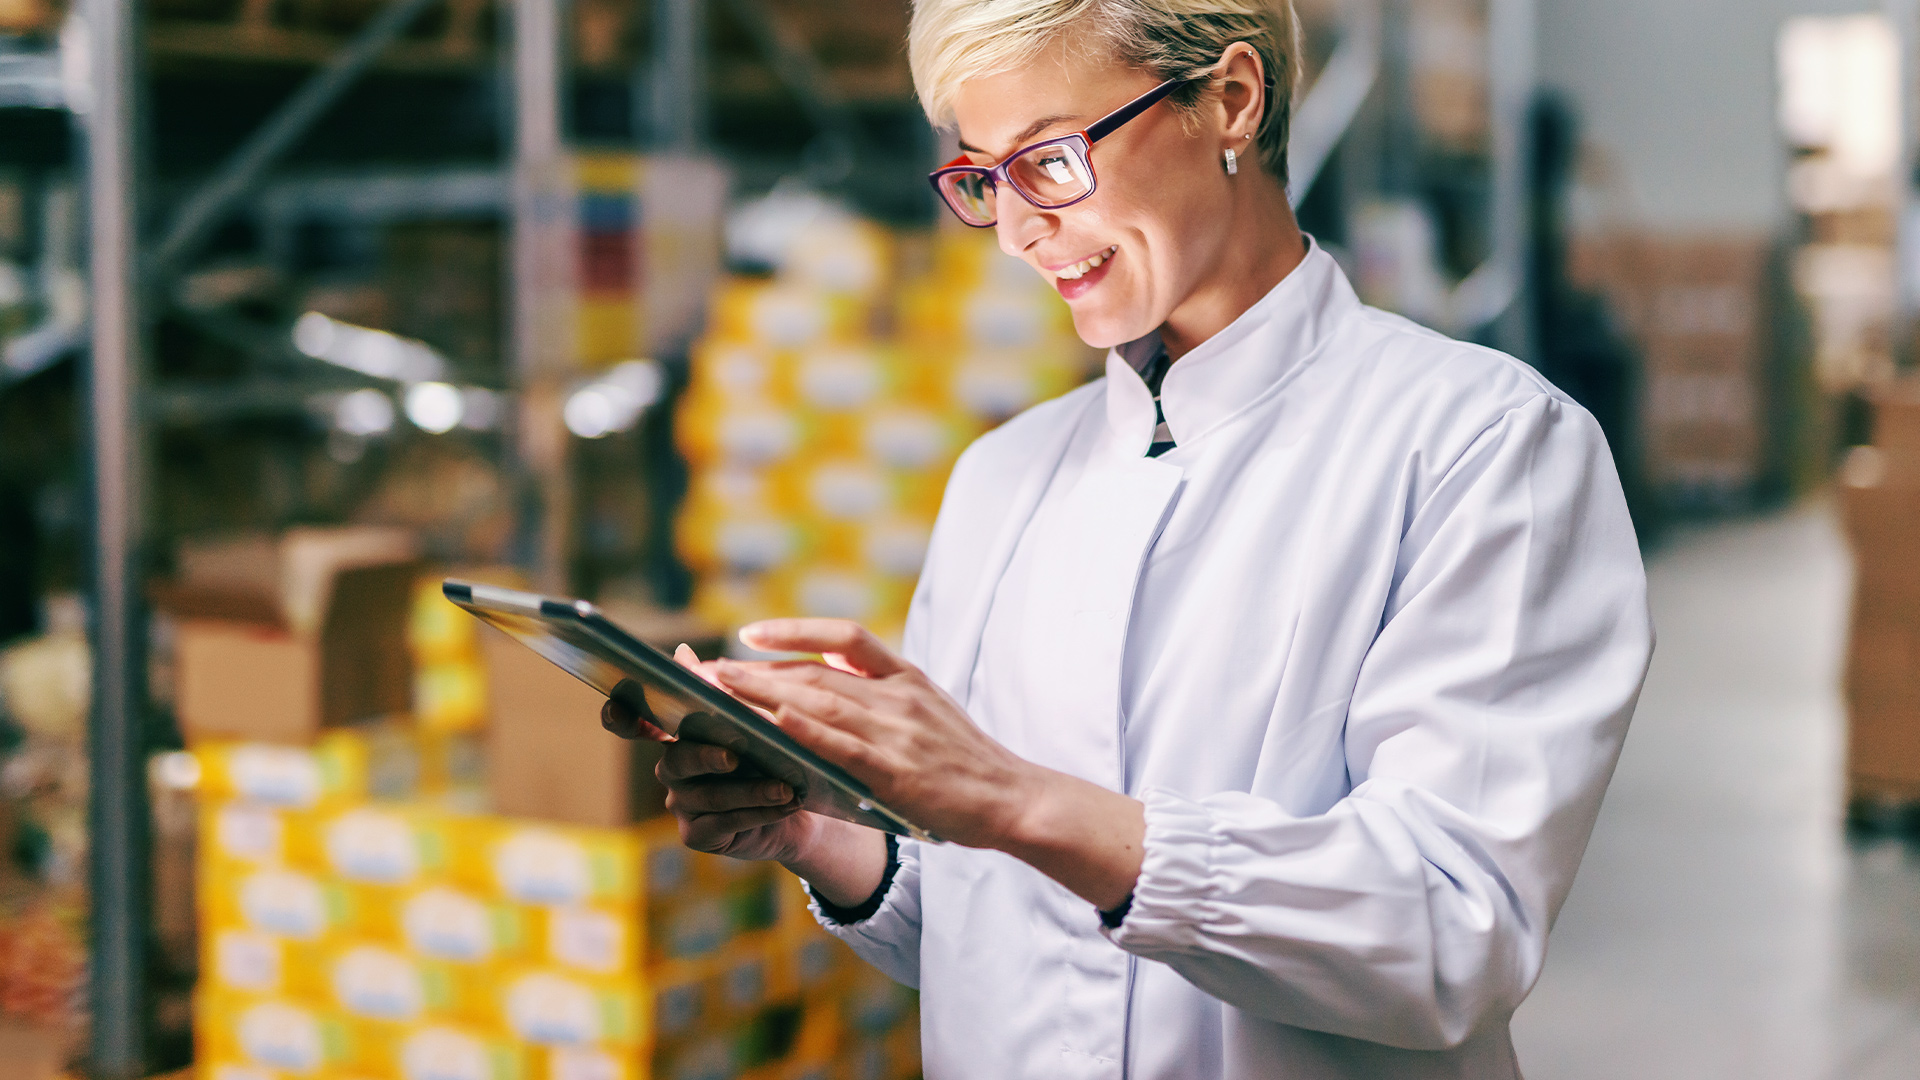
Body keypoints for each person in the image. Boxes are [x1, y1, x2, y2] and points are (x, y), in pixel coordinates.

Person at [604, 1, 1653, 1075]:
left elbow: (1448, 929)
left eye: (1050, 161)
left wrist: (1010, 797)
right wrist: (826, 839)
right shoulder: (1002, 478)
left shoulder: (1481, 448)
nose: (1015, 230)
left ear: (1230, 101)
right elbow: (988, 926)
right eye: (981, 177)